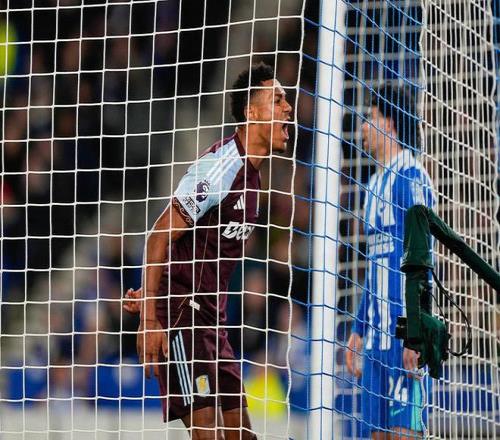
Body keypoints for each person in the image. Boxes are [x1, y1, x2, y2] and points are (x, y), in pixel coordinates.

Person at [123, 62, 292, 440]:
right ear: (251, 112)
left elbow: (200, 248)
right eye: (277, 99)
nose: (288, 108)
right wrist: (151, 316)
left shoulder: (253, 178)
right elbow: (158, 236)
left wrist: (154, 288)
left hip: (213, 322)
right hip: (182, 318)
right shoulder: (220, 168)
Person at [345, 83, 435, 439]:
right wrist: (358, 328)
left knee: (403, 434)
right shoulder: (372, 187)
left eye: (371, 118)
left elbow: (423, 259)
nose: (363, 127)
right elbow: (375, 265)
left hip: (403, 334)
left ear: (390, 123)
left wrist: (416, 329)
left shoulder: (413, 177)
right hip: (375, 342)